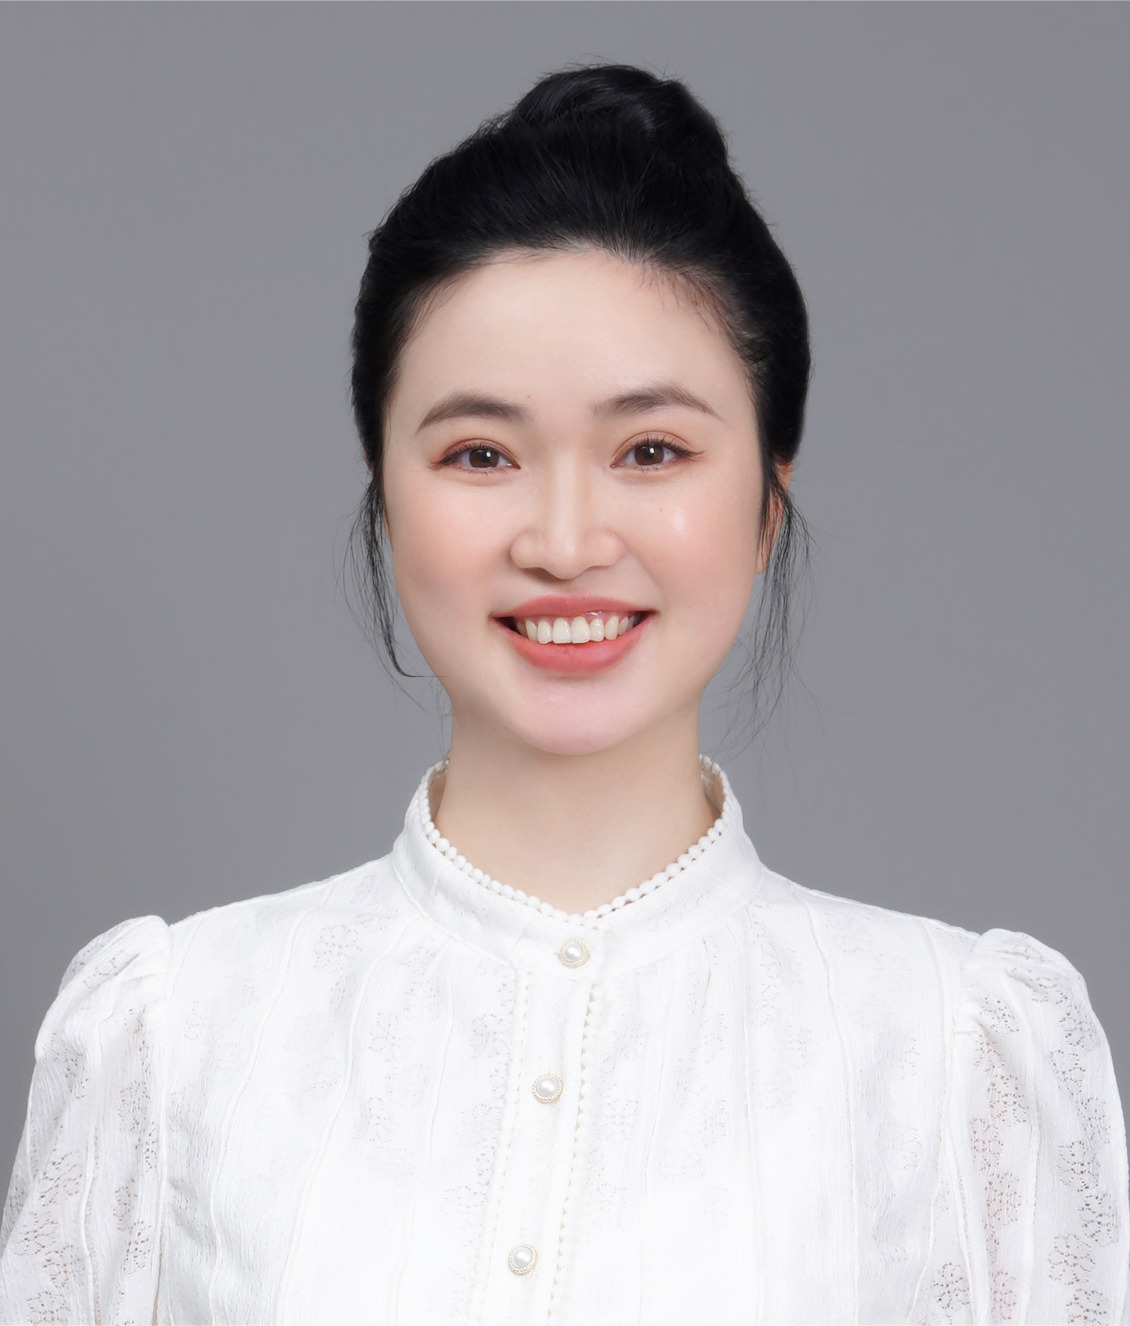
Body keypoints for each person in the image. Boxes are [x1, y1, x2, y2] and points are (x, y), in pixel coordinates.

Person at [1, 59, 1127, 1326]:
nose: (563, 539)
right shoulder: (170, 1039)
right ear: (385, 500)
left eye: (650, 449)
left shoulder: (958, 1053)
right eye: (480, 453)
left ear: (767, 500)